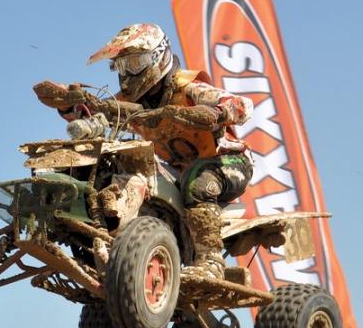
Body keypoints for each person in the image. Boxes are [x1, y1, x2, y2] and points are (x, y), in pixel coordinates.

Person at [34, 23, 254, 279]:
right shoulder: (128, 102)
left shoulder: (187, 87)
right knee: (116, 170)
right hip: (177, 171)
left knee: (198, 181)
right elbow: (94, 114)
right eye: (122, 66)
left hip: (228, 162)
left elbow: (242, 105)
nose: (128, 73)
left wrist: (217, 112)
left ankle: (210, 262)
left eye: (135, 63)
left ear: (159, 57)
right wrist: (68, 103)